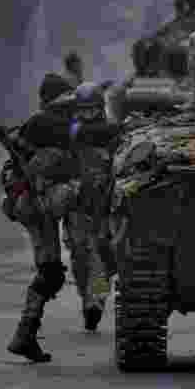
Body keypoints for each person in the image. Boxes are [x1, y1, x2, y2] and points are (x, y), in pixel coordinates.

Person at [3, 73, 79, 362]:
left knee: (50, 271)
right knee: (51, 273)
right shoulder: (69, 126)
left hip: (33, 204)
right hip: (47, 203)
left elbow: (3, 172)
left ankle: (26, 335)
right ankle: (24, 335)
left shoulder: (31, 125)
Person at [61, 82, 122, 332]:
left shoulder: (112, 131)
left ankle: (95, 301)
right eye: (83, 110)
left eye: (92, 109)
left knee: (103, 259)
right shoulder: (71, 130)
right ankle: (87, 297)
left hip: (105, 205)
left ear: (100, 108)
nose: (88, 114)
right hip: (77, 204)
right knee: (79, 257)